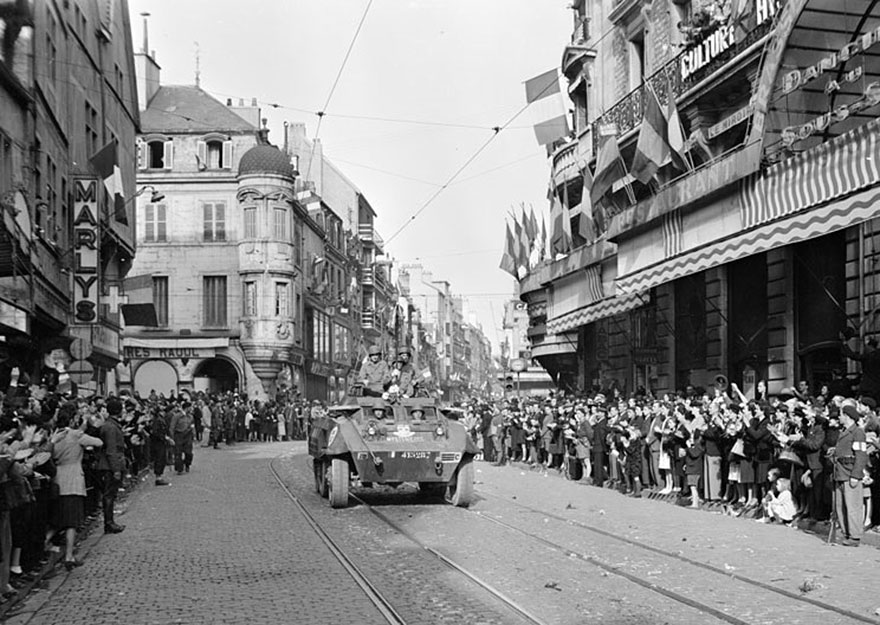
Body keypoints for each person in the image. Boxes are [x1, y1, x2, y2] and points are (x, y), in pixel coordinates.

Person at [46, 405, 103, 568]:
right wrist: (88, 428)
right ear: (73, 419)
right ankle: (69, 556)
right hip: (73, 479)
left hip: (57, 477)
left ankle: (46, 541)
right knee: (72, 522)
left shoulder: (54, 435)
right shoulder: (76, 434)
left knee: (57, 519)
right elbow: (98, 442)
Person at [830, 403, 868, 546]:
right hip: (840, 472)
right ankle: (846, 533)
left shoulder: (857, 432)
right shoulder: (845, 431)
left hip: (849, 473)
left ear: (847, 416)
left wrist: (855, 475)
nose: (839, 417)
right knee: (841, 506)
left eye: (841, 414)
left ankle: (854, 536)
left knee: (853, 506)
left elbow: (861, 455)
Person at [95, 398, 127, 533]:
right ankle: (109, 523)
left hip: (109, 464)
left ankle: (110, 522)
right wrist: (116, 469)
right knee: (109, 495)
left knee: (110, 494)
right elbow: (111, 450)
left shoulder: (110, 425)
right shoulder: (111, 427)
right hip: (109, 466)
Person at [840, 331, 880, 402]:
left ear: (869, 346)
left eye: (866, 347)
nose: (864, 349)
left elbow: (852, 355)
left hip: (868, 387)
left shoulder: (868, 357)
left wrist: (845, 343)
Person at [170, 402, 194, 474]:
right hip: (179, 435)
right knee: (178, 452)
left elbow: (192, 425)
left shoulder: (190, 417)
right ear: (187, 408)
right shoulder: (177, 416)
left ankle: (187, 464)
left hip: (188, 435)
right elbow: (172, 427)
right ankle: (179, 468)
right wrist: (172, 438)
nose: (191, 409)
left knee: (188, 452)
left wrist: (193, 434)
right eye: (190, 407)